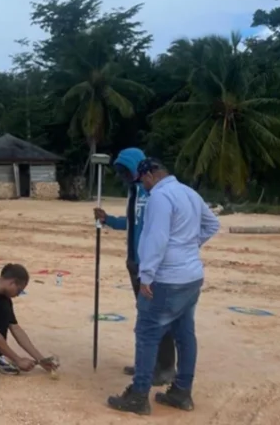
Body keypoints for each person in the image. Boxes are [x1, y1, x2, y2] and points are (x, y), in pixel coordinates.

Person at [107, 158, 220, 415]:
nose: (143, 187)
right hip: (191, 276)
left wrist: (146, 276)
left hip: (167, 278)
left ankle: (138, 396)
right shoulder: (188, 192)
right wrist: (189, 246)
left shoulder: (159, 196)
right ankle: (181, 392)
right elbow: (212, 224)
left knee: (147, 334)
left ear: (149, 175)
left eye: (143, 182)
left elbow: (156, 239)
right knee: (185, 335)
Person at [93, 147, 176, 385]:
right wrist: (108, 220)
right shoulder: (133, 192)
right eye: (121, 173)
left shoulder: (153, 193)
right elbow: (132, 223)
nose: (124, 177)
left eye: (126, 172)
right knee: (144, 318)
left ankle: (165, 367)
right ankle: (145, 363)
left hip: (150, 266)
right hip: (134, 263)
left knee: (157, 318)